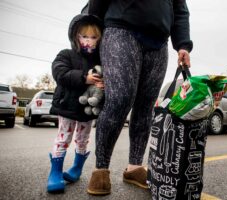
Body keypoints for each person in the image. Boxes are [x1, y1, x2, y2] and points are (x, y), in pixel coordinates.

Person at [86, 0, 193, 195]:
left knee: (146, 107)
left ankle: (134, 167)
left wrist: (183, 45)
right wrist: (91, 30)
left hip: (159, 42)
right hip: (120, 30)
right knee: (119, 99)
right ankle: (100, 169)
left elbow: (180, 10)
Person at [47, 14, 104, 193]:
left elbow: (106, 80)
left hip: (86, 110)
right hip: (67, 106)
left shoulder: (101, 61)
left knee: (82, 140)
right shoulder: (66, 54)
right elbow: (60, 73)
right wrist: (84, 78)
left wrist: (104, 83)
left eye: (94, 37)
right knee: (63, 138)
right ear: (76, 37)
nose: (89, 41)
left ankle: (77, 168)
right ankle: (55, 172)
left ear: (100, 39)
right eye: (84, 36)